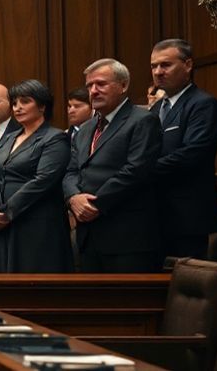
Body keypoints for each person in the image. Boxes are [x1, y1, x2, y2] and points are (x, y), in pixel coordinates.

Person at [63, 58, 162, 273]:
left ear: (123, 85)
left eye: (101, 84)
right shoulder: (86, 128)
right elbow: (70, 171)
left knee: (127, 304)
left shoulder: (143, 120)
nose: (94, 91)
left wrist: (95, 204)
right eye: (89, 86)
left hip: (127, 237)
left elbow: (135, 170)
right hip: (88, 235)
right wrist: (73, 198)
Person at [0, 80, 72, 273]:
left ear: (42, 106)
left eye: (25, 101)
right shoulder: (9, 138)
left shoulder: (54, 138)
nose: (18, 108)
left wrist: (6, 212)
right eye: (14, 103)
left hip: (35, 225)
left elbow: (43, 180)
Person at [149, 39, 217, 260]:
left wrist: (142, 170)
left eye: (165, 65)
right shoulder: (154, 110)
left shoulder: (202, 104)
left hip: (188, 216)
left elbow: (193, 154)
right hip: (154, 215)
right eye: (154, 66)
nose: (158, 72)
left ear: (188, 65)